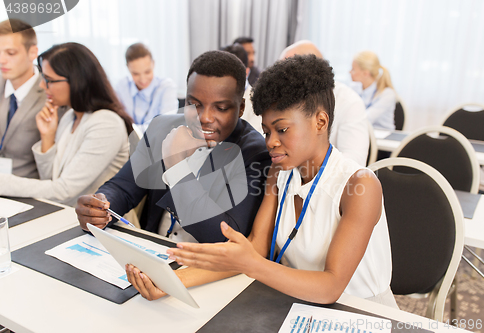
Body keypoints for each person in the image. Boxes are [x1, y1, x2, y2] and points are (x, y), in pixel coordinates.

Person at [126, 55, 397, 308]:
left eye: (282, 129)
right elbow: (252, 250)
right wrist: (170, 283)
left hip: (362, 312)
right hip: (297, 303)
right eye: (266, 131)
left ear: (320, 122)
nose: (270, 142)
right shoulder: (278, 174)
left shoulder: (361, 186)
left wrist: (252, 263)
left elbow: (330, 287)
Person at [76, 50, 271, 244]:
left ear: (241, 108)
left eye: (220, 108)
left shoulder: (255, 154)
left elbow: (225, 235)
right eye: (194, 104)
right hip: (152, 252)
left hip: (205, 267)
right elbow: (123, 187)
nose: (204, 118)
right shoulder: (161, 128)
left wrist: (176, 164)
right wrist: (100, 207)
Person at [0, 43, 132, 207]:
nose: (42, 86)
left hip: (102, 226)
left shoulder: (106, 123)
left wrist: (3, 182)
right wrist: (47, 137)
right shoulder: (70, 117)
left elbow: (63, 192)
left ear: (77, 81)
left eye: (49, 80)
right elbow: (51, 180)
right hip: (68, 216)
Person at [243, 40, 369, 166]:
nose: (279, 82)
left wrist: (309, 172)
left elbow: (354, 160)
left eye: (286, 75)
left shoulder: (349, 102)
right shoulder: (279, 100)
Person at [0, 19, 46, 178]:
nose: (1, 60)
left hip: (28, 192)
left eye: (10, 53)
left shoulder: (50, 95)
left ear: (33, 52)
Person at [114, 43, 178, 133]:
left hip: (156, 144)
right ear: (128, 68)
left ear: (153, 64)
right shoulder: (121, 87)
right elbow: (116, 123)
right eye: (135, 74)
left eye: (147, 72)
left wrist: (130, 131)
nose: (143, 79)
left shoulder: (166, 87)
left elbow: (164, 127)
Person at [350, 51, 396, 131]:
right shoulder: (354, 88)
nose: (350, 72)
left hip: (382, 138)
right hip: (362, 132)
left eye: (353, 69)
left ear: (365, 73)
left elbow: (366, 119)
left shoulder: (387, 94)